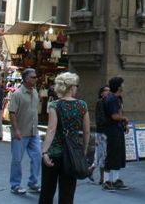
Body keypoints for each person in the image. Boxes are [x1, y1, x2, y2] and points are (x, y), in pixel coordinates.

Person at [39, 72, 90, 204]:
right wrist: (83, 151)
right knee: (67, 193)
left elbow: (51, 130)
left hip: (54, 153)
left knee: (47, 191)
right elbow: (86, 132)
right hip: (72, 154)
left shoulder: (55, 105)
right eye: (76, 86)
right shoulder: (82, 105)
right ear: (71, 87)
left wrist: (44, 151)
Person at [9, 68, 42, 195]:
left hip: (33, 132)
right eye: (33, 77)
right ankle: (15, 185)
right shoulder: (17, 94)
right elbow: (12, 113)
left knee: (37, 156)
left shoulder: (35, 92)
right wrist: (16, 130)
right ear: (26, 79)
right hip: (20, 132)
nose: (35, 79)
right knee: (17, 159)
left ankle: (33, 183)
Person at [102, 76, 129, 191]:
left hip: (117, 129)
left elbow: (119, 112)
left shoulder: (117, 98)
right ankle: (106, 181)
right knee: (112, 154)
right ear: (118, 86)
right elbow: (114, 116)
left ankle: (115, 179)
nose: (124, 85)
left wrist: (124, 124)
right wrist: (124, 118)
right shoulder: (111, 99)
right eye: (122, 84)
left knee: (118, 154)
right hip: (112, 130)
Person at [92, 85, 110, 185]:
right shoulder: (100, 102)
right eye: (105, 90)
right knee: (103, 155)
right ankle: (102, 178)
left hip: (106, 132)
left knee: (100, 154)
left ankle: (91, 170)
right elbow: (100, 119)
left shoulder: (108, 102)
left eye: (109, 90)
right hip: (101, 132)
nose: (108, 92)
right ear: (101, 93)